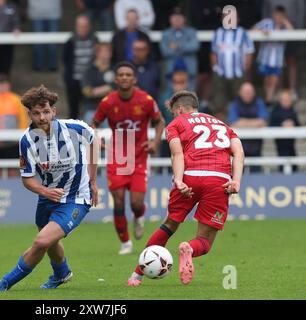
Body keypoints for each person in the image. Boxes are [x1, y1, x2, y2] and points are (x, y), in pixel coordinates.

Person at [127, 90, 245, 287]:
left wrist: (179, 180)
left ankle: (136, 276)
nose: (173, 116)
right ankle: (189, 248)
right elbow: (238, 152)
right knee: (205, 242)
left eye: (173, 112)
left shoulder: (176, 124)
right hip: (219, 179)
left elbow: (177, 153)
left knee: (170, 224)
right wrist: (237, 181)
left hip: (190, 176)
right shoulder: (223, 125)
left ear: (180, 109)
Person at [0, 85, 98, 292]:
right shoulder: (27, 140)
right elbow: (27, 179)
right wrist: (45, 192)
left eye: (46, 111)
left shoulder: (75, 129)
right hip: (48, 197)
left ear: (54, 111)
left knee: (41, 242)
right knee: (50, 241)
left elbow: (94, 141)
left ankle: (4, 284)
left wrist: (92, 181)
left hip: (76, 197)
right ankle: (62, 273)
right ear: (29, 114)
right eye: (36, 113)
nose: (42, 117)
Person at [91, 61, 165, 255]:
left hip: (139, 155)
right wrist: (96, 138)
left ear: (134, 79)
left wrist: (155, 142)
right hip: (117, 155)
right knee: (118, 201)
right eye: (121, 74)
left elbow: (160, 122)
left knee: (136, 203)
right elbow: (94, 123)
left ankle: (139, 215)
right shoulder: (108, 102)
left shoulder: (146, 100)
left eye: (128, 74)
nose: (124, 77)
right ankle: (125, 243)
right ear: (116, 79)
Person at [0, 74, 29, 178]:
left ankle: (12, 191)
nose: (2, 87)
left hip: (12, 142)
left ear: (8, 85)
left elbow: (22, 120)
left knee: (13, 169)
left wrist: (22, 139)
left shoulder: (16, 100)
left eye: (4, 84)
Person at [210, 13, 255, 121]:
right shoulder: (218, 33)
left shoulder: (242, 33)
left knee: (239, 101)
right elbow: (213, 52)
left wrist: (245, 69)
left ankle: (237, 127)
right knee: (219, 102)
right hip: (221, 74)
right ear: (222, 19)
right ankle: (220, 128)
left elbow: (249, 51)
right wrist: (215, 68)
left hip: (238, 73)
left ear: (237, 19)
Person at [253, 5, 293, 105]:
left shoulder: (285, 26)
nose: (278, 17)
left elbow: (292, 33)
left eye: (281, 15)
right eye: (277, 15)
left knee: (275, 80)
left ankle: (269, 100)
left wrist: (285, 21)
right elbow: (252, 30)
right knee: (267, 80)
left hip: (277, 60)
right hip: (265, 58)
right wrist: (262, 32)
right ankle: (268, 99)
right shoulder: (266, 23)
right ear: (274, 14)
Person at [62, 14, 98, 119]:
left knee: (91, 110)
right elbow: (65, 60)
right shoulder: (70, 41)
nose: (83, 29)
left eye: (85, 26)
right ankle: (72, 134)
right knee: (73, 110)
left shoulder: (95, 40)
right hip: (74, 81)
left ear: (89, 26)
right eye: (80, 26)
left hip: (90, 81)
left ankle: (90, 134)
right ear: (76, 27)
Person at [228, 82, 268, 173]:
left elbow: (263, 121)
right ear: (240, 92)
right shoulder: (235, 104)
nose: (247, 94)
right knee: (238, 174)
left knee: (257, 173)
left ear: (254, 93)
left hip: (256, 146)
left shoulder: (259, 102)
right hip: (239, 147)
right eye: (245, 92)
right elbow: (233, 122)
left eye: (249, 91)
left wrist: (242, 122)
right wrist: (255, 122)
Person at [159, 8, 199, 91]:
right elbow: (165, 51)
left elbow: (195, 46)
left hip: (189, 73)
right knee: (172, 98)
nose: (177, 20)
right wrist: (185, 48)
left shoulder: (191, 32)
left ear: (184, 19)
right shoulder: (166, 34)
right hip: (171, 73)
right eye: (174, 18)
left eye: (179, 18)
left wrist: (178, 46)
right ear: (170, 19)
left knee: (190, 98)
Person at [81, 42, 114, 125]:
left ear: (111, 54)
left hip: (111, 110)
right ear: (97, 54)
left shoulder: (116, 70)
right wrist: (107, 88)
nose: (105, 55)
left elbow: (117, 92)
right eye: (102, 52)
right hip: (92, 109)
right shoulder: (89, 71)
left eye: (107, 52)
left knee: (117, 133)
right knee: (91, 135)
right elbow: (87, 92)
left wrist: (96, 91)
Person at [269, 89, 301, 172]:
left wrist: (293, 124)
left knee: (294, 165)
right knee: (282, 163)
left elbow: (298, 125)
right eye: (285, 99)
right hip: (281, 144)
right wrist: (282, 125)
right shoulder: (275, 112)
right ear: (280, 101)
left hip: (291, 144)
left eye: (288, 99)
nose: (287, 101)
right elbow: (271, 126)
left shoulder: (292, 111)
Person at [27, 0, 62, 72]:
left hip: (53, 13)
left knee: (52, 43)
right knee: (38, 43)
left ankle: (52, 66)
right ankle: (38, 66)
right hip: (36, 13)